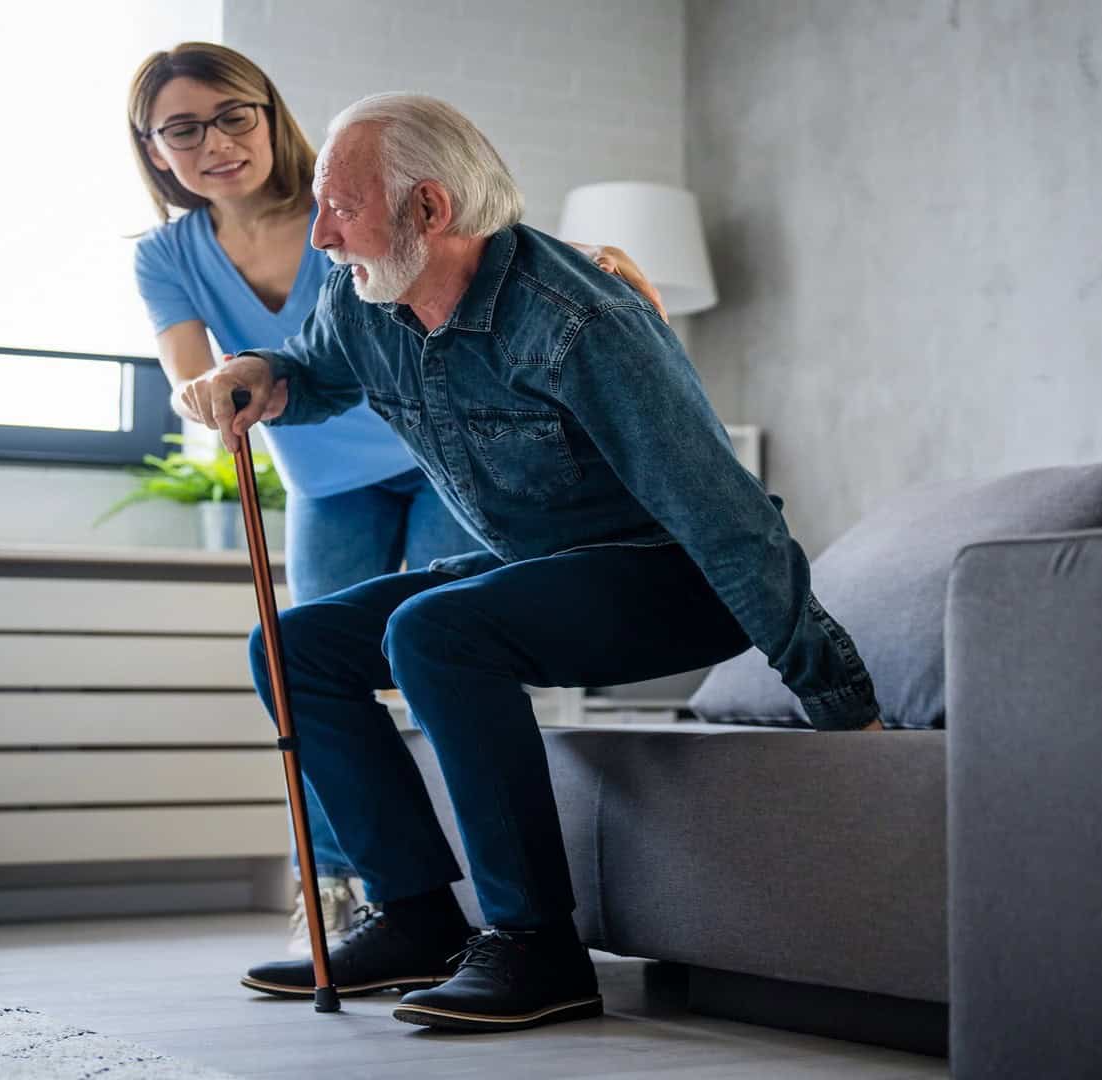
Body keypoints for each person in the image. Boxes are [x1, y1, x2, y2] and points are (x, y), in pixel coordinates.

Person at [180, 91, 885, 1034]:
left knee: (435, 631)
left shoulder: (580, 322)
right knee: (292, 647)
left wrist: (845, 707)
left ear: (428, 211)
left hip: (670, 574)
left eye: (340, 208)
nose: (320, 236)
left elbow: (729, 523)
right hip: (537, 565)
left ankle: (539, 950)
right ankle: (417, 918)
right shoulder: (367, 301)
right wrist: (257, 376)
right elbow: (310, 371)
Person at [125, 43, 666, 958]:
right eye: (183, 129)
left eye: (233, 115)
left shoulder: (336, 203)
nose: (215, 142)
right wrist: (204, 392)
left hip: (442, 455)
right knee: (307, 673)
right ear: (154, 149)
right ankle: (360, 899)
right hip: (324, 483)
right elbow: (198, 376)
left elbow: (461, 246)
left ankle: (503, 899)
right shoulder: (167, 256)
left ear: (269, 114)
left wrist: (581, 263)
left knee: (447, 652)